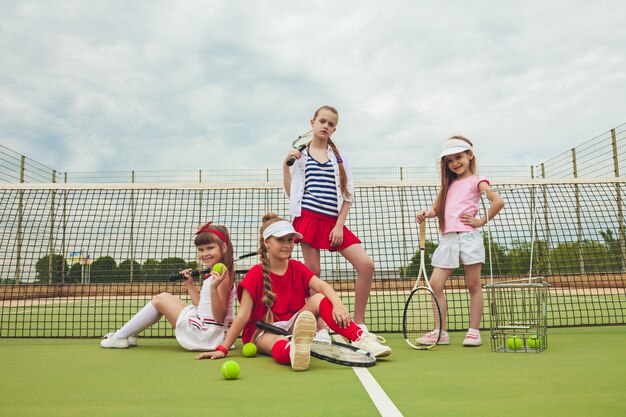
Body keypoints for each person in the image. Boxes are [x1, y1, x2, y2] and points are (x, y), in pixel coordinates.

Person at [195, 213, 391, 370]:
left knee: (320, 297)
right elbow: (243, 315)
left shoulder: (297, 267)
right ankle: (294, 352)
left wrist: (338, 304)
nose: (288, 245)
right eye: (281, 240)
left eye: (290, 239)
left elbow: (322, 286)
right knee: (279, 343)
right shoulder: (255, 274)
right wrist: (223, 348)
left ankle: (360, 338)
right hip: (261, 330)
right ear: (266, 243)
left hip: (293, 323)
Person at [282, 105, 378, 341]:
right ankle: (320, 328)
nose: (326, 126)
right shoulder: (300, 156)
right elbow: (292, 193)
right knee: (314, 273)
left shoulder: (340, 157)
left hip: (333, 223)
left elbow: (347, 195)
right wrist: (285, 165)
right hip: (307, 220)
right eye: (322, 121)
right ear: (312, 122)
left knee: (366, 265)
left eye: (331, 123)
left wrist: (338, 225)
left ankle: (359, 323)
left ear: (335, 128)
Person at [415, 136, 504, 347]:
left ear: (469, 155)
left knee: (473, 284)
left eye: (459, 157)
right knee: (435, 284)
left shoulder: (478, 181)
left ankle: (473, 332)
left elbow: (498, 201)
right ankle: (440, 332)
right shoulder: (447, 185)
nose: (455, 163)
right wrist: (426, 214)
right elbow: (437, 210)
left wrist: (481, 220)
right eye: (450, 160)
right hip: (447, 239)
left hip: (469, 238)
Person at [100, 222, 236, 351]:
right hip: (212, 334)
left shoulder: (222, 278)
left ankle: (119, 336)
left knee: (161, 299)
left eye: (210, 248)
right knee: (169, 299)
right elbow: (202, 307)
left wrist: (213, 288)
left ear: (224, 247)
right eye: (200, 249)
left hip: (207, 336)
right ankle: (130, 334)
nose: (204, 253)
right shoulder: (215, 275)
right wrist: (190, 285)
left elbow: (219, 317)